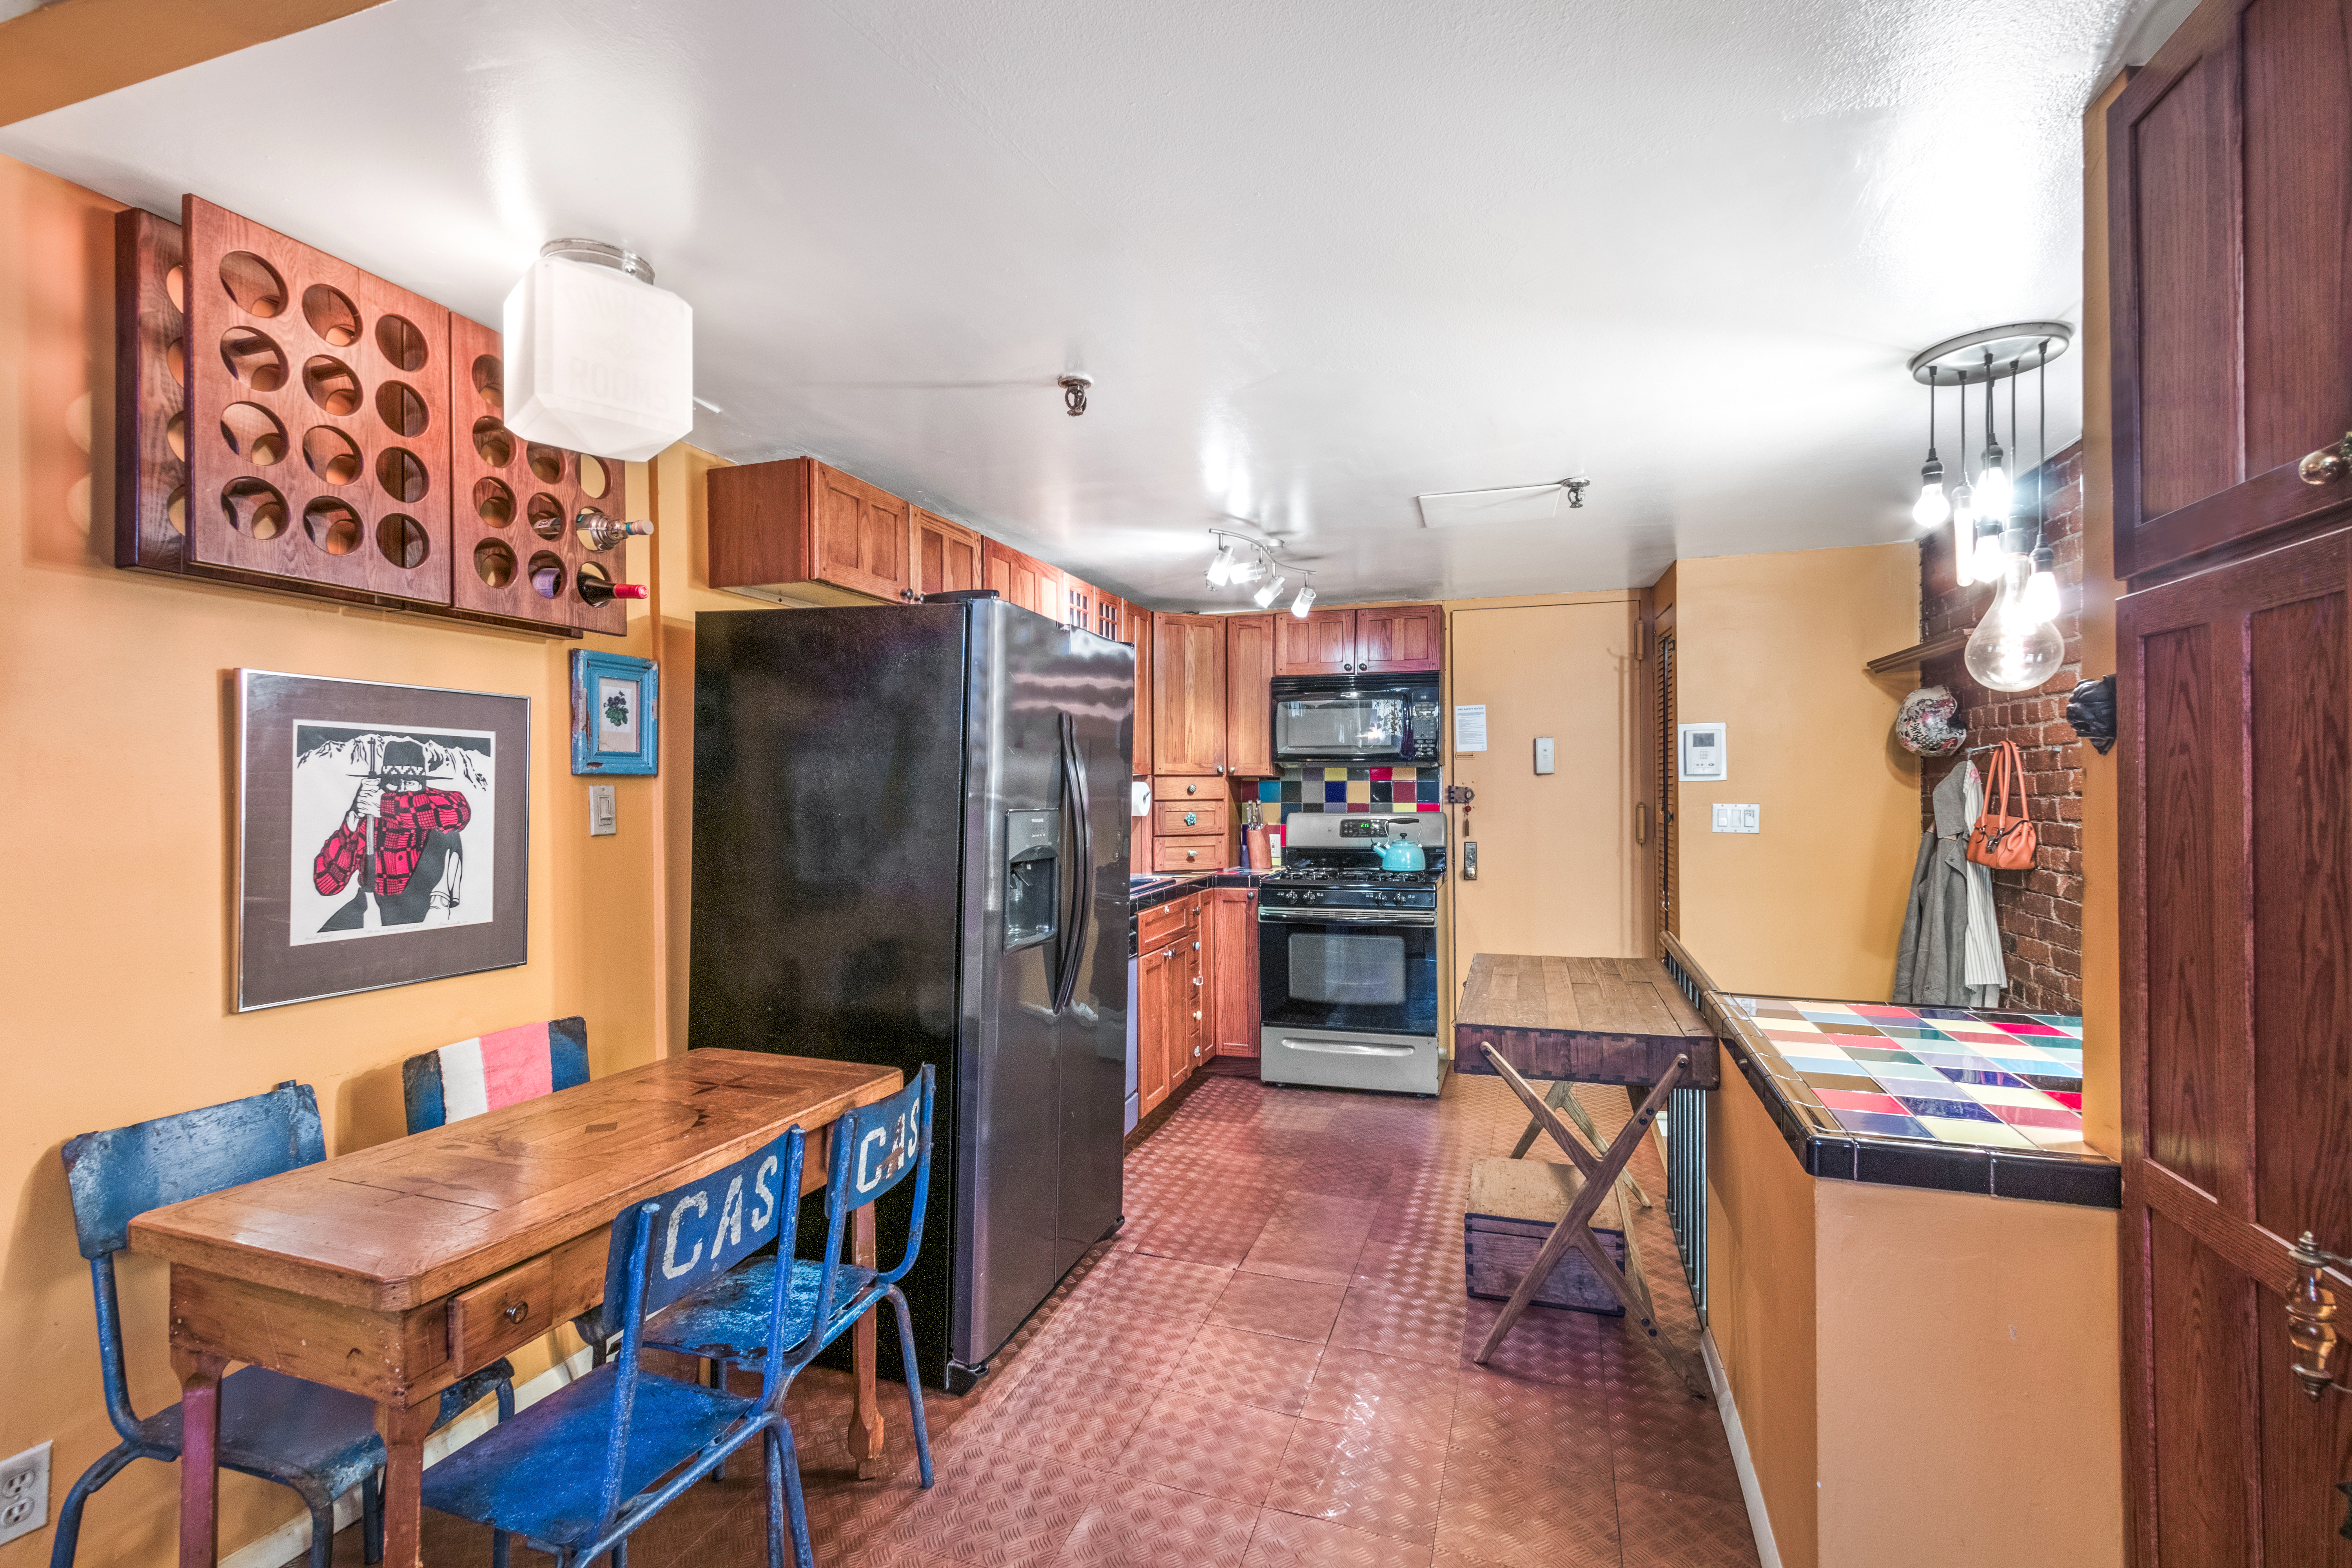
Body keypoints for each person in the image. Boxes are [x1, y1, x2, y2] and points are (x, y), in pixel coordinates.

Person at [312, 739, 470, 931]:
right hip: (373, 904)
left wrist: (385, 804)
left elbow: (460, 811)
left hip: (424, 904)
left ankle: (441, 902)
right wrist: (352, 822)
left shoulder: (431, 804)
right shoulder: (369, 820)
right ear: (383, 784)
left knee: (449, 833)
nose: (403, 790)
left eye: (411, 783)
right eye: (394, 784)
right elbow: (327, 885)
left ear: (422, 786)